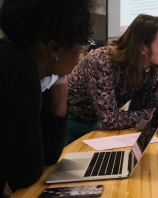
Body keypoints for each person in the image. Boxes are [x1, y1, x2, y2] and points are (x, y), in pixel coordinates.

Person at [0, 0, 94, 193]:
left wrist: (60, 90)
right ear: (54, 48)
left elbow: (49, 157)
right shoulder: (16, 69)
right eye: (81, 44)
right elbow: (26, 173)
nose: (81, 53)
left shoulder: (27, 68)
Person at [67, 14, 158, 144]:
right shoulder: (102, 61)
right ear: (142, 48)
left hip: (95, 123)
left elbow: (149, 110)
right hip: (70, 122)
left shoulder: (147, 67)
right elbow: (110, 119)